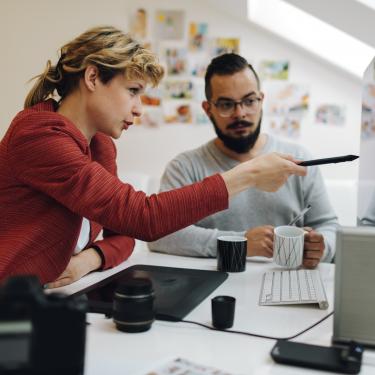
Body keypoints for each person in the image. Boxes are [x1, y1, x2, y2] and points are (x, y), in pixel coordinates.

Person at [0, 28, 306, 288]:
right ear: (92, 77)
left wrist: (88, 261)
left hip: (51, 294)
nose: (138, 108)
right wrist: (248, 175)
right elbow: (144, 218)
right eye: (133, 91)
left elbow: (126, 235)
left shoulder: (101, 146)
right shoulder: (39, 136)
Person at [149, 53, 339, 268]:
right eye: (226, 104)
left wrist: (322, 248)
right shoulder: (184, 167)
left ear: (261, 100)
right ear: (207, 109)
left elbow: (327, 225)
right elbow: (160, 236)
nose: (240, 113)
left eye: (249, 101)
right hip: (214, 285)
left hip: (288, 283)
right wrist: (241, 242)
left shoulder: (298, 160)